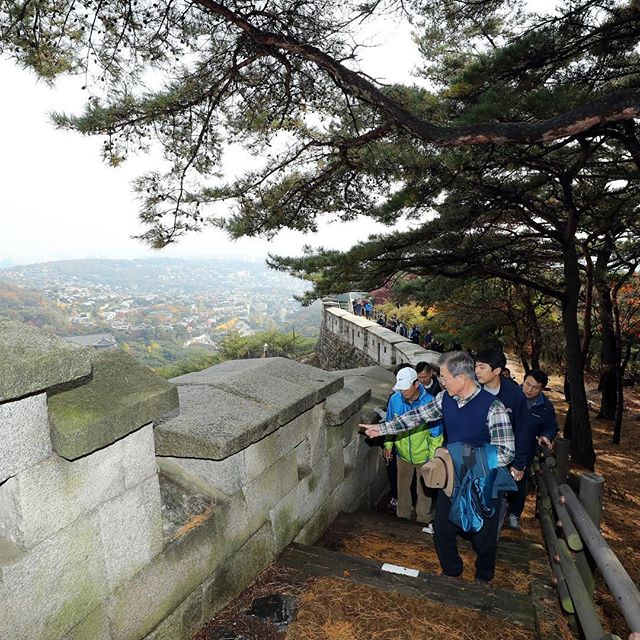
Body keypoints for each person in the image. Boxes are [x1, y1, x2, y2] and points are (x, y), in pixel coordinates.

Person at [361, 351, 515, 585]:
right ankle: (452, 571)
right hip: (452, 480)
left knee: (483, 536)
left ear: (461, 377)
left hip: (483, 483)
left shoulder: (494, 409)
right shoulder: (445, 399)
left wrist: (470, 459)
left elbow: (506, 451)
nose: (440, 381)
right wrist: (383, 430)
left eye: (443, 377)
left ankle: (484, 577)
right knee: (442, 527)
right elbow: (417, 417)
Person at [474, 347, 530, 531]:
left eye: (482, 367)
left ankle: (489, 540)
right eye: (476, 366)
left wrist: (519, 463)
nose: (477, 371)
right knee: (472, 496)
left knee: (496, 500)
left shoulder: (514, 395)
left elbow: (523, 430)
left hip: (502, 460)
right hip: (474, 456)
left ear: (497, 371)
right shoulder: (472, 390)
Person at [384, 367, 443, 524]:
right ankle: (402, 518)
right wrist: (389, 444)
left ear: (416, 384)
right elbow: (390, 423)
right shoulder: (395, 400)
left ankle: (423, 519)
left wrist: (432, 458)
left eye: (406, 388)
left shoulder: (430, 402)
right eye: (400, 388)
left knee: (424, 491)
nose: (403, 392)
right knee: (402, 488)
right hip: (402, 454)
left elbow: (436, 434)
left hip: (424, 456)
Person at [508, 369, 559, 527]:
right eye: (527, 384)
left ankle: (514, 514)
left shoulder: (545, 407)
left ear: (542, 388)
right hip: (504, 445)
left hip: (525, 451)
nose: (529, 390)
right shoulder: (511, 396)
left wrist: (546, 436)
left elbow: (551, 427)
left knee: (519, 483)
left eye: (534, 387)